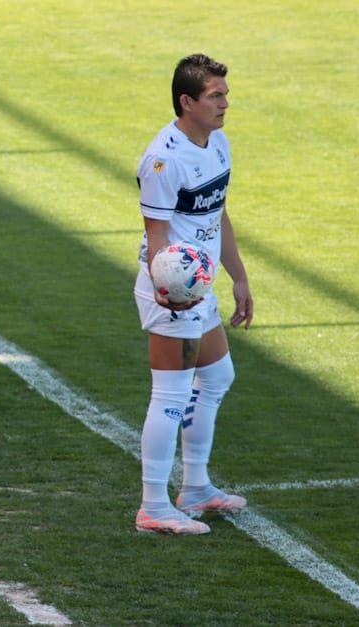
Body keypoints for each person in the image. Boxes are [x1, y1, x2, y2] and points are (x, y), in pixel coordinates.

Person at [132, 54, 255, 535]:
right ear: (187, 102)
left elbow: (217, 214)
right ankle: (153, 506)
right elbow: (157, 234)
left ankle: (197, 488)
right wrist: (166, 290)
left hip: (199, 287)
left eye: (225, 94)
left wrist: (238, 277)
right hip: (173, 292)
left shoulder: (217, 143)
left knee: (218, 375)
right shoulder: (163, 161)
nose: (225, 103)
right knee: (171, 394)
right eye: (215, 96)